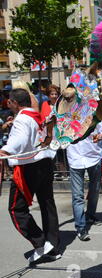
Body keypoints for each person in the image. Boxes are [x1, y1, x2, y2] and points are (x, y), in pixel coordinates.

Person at [0, 88, 60, 264]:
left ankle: (40, 242)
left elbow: (20, 139)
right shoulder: (37, 115)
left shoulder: (22, 119)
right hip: (44, 162)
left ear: (15, 103)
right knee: (47, 204)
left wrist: (5, 149)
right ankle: (53, 247)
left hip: (28, 166)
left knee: (16, 209)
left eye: (9, 101)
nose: (7, 104)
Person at [67, 121, 102, 241]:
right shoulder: (69, 117)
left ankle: (90, 215)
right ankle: (81, 228)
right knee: (77, 196)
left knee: (95, 191)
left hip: (94, 157)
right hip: (75, 159)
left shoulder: (97, 118)